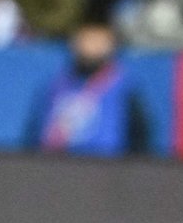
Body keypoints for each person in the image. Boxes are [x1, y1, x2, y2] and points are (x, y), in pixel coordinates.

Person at [27, 21, 149, 157]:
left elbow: (141, 134)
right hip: (55, 161)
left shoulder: (125, 86)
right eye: (86, 39)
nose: (91, 47)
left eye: (98, 41)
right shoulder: (56, 84)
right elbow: (35, 130)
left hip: (107, 163)